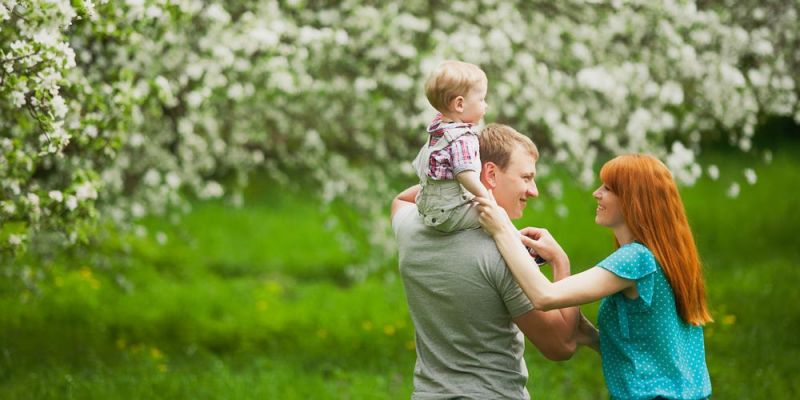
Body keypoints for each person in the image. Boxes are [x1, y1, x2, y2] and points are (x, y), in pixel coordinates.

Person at [477, 154, 713, 400]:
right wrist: (589, 335)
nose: (596, 193)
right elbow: (650, 349)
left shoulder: (636, 259)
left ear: (634, 200)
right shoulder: (666, 257)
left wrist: (502, 230)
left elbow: (543, 296)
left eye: (608, 188)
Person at [392, 123, 597, 399]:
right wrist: (561, 263)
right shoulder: (504, 254)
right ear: (490, 173)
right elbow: (560, 346)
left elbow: (401, 199)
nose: (533, 190)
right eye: (526, 177)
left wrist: (457, 182)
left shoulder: (410, 227)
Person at [412, 60, 489, 232]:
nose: (486, 105)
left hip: (428, 209)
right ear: (460, 104)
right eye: (481, 99)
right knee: (497, 214)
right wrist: (488, 199)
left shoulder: (437, 131)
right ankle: (520, 247)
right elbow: (466, 176)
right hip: (450, 214)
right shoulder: (462, 139)